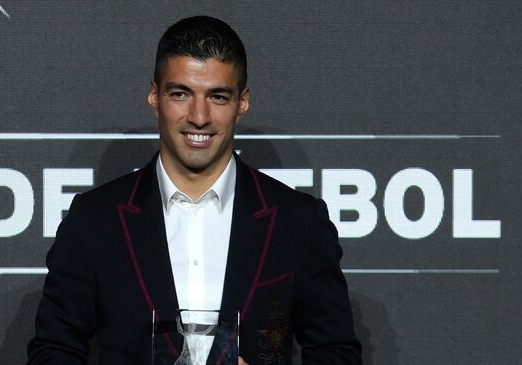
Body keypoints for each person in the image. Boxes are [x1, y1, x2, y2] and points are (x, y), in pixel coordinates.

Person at [27, 16, 362, 365]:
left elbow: (337, 353)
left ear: (242, 102)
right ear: (155, 96)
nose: (199, 116)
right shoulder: (95, 220)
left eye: (217, 97)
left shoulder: (298, 221)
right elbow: (53, 351)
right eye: (180, 94)